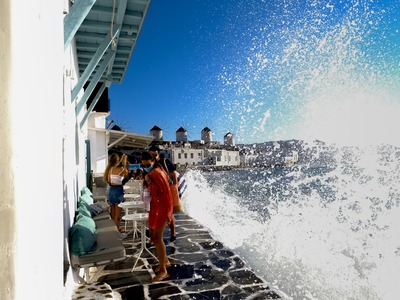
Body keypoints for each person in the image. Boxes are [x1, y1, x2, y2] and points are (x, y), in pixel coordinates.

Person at [141, 151, 173, 282]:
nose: (145, 166)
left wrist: (167, 213)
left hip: (162, 208)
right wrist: (147, 181)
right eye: (143, 165)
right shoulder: (153, 173)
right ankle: (165, 262)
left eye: (147, 164)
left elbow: (166, 193)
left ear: (153, 161)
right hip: (156, 207)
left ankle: (163, 270)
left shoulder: (157, 173)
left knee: (157, 238)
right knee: (154, 236)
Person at [149, 145, 180, 242]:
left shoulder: (165, 161)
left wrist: (175, 187)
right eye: (151, 152)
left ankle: (173, 232)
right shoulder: (150, 163)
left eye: (154, 151)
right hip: (155, 191)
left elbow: (173, 174)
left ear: (157, 152)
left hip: (167, 189)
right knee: (155, 212)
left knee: (169, 213)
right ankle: (154, 236)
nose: (152, 153)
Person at [103, 153, 129, 231]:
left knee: (113, 213)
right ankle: (117, 231)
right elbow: (125, 180)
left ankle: (114, 229)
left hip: (111, 191)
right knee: (118, 215)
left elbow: (109, 181)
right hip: (118, 191)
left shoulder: (110, 169)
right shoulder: (124, 170)